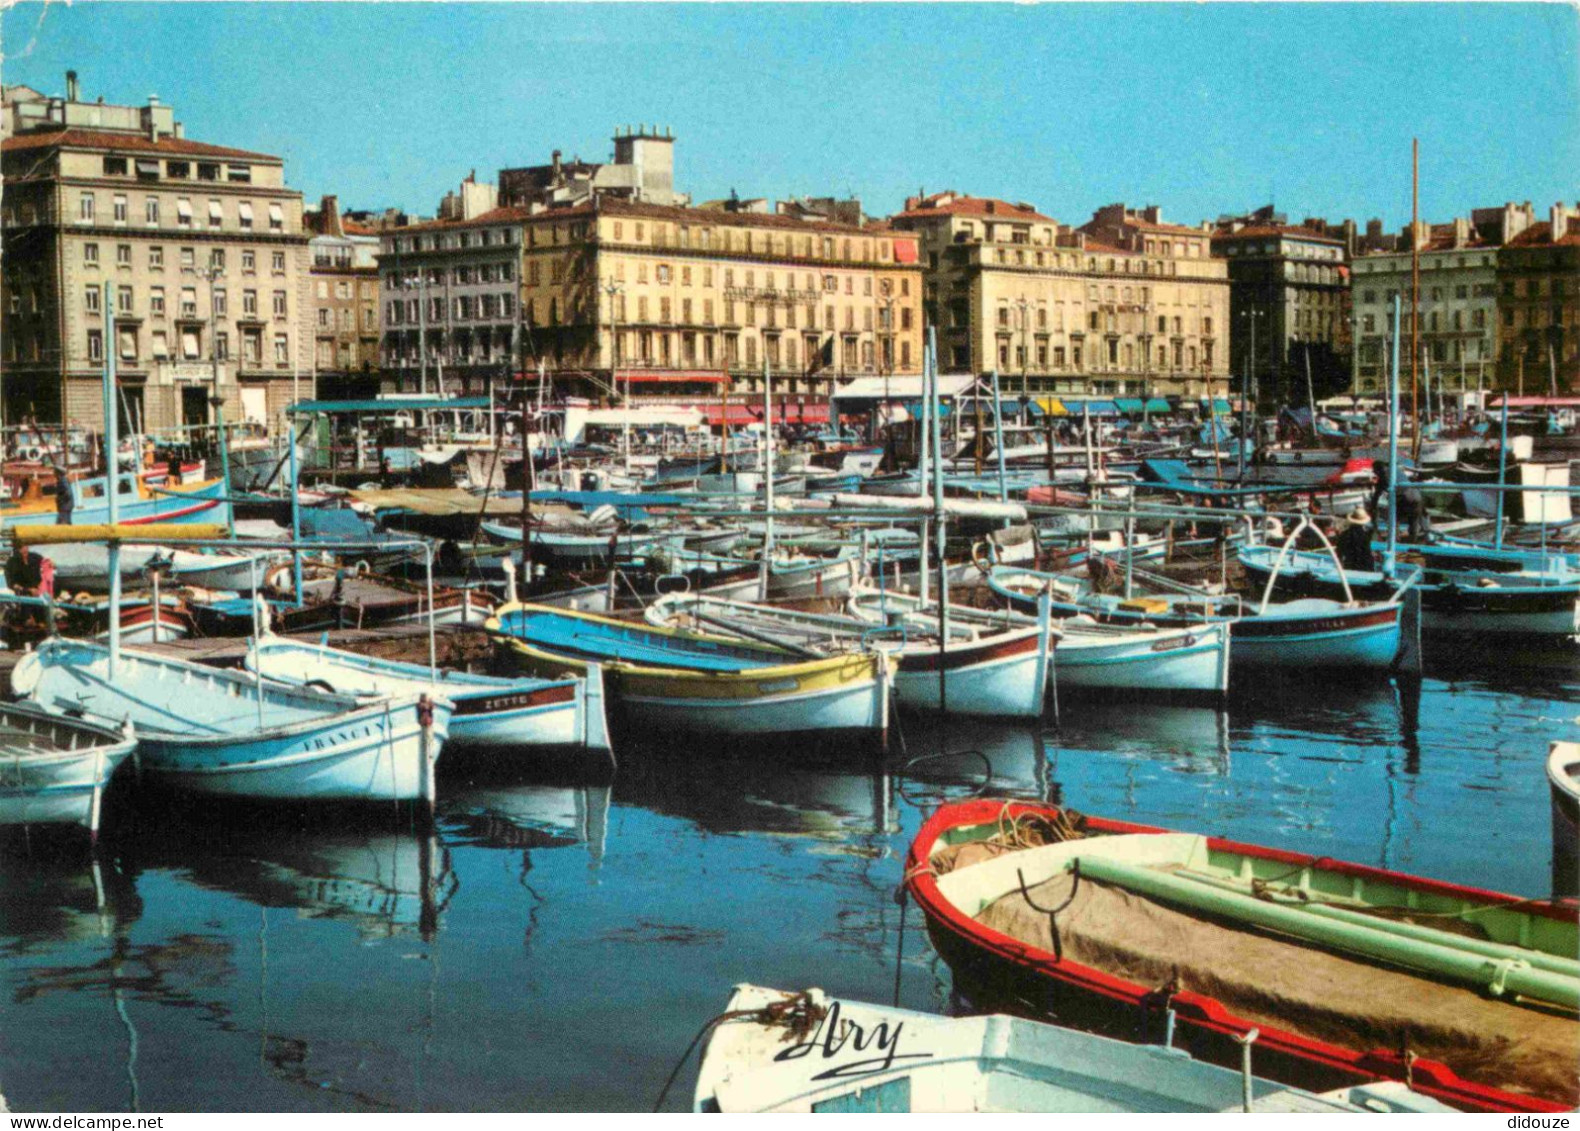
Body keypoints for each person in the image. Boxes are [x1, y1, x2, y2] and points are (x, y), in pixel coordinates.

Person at [1335, 507, 1376, 574]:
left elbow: (1339, 553)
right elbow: (1367, 555)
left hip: (1349, 567)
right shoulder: (1365, 536)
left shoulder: (1344, 534)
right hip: (1365, 568)